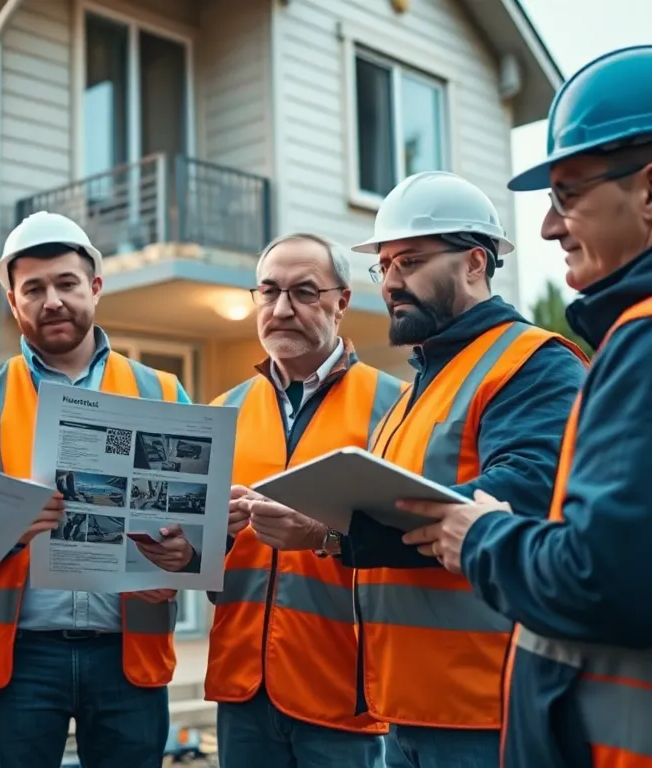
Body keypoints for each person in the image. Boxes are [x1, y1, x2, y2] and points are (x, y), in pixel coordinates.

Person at [401, 44, 652, 768]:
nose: (548, 226)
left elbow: (608, 584)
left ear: (651, 191)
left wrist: (481, 536)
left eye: (567, 194)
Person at [247, 170, 586, 768]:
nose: (392, 283)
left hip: (489, 707)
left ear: (475, 263)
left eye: (410, 261)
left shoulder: (532, 364)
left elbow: (526, 496)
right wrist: (327, 532)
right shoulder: (417, 389)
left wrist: (345, 527)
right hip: (406, 708)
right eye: (385, 266)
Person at [0, 211, 192, 767]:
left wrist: (184, 557)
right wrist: (10, 523)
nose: (51, 300)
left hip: (128, 655)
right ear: (13, 302)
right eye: (33, 288)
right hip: (21, 658)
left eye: (66, 283)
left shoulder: (162, 391)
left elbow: (195, 524)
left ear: (95, 289)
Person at [207, 233, 402, 768]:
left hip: (344, 692)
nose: (282, 309)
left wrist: (325, 538)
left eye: (304, 293)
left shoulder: (395, 407)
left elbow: (412, 549)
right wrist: (214, 537)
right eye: (268, 292)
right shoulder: (222, 412)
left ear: (342, 302)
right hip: (242, 686)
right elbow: (207, 568)